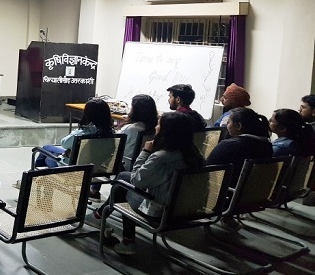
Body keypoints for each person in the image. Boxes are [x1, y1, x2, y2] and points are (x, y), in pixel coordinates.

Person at [88, 111, 204, 255]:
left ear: (167, 131)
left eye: (159, 125)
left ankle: (124, 238)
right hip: (186, 210)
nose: (156, 127)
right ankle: (102, 218)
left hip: (160, 212)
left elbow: (137, 180)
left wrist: (145, 152)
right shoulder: (196, 155)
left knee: (121, 186)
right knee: (123, 178)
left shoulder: (161, 158)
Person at [206, 107, 272, 187]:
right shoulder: (267, 145)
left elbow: (206, 171)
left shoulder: (229, 145)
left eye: (228, 122)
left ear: (238, 126)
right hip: (252, 191)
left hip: (226, 191)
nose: (226, 126)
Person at [118, 94, 159, 171]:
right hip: (143, 166)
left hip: (125, 166)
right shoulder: (154, 128)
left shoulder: (130, 128)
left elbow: (116, 145)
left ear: (135, 110)